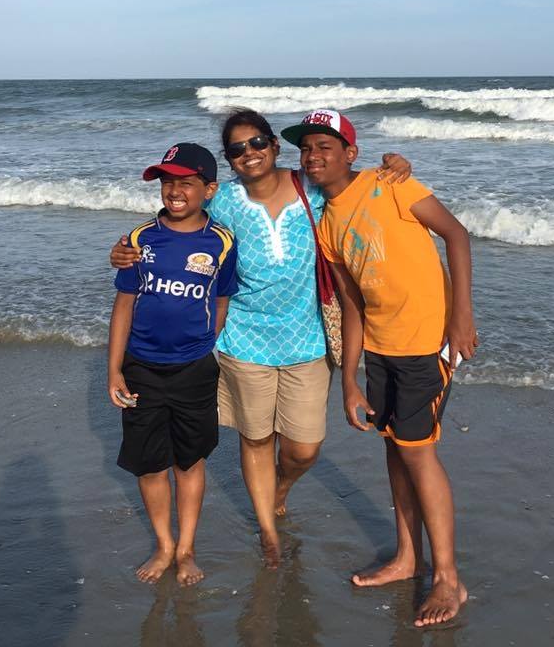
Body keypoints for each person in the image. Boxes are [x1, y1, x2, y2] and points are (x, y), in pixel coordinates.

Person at [110, 109, 412, 567]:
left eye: (256, 144)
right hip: (242, 340)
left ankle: (282, 485)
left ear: (273, 146)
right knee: (255, 439)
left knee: (303, 447)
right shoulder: (226, 200)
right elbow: (179, 215)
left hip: (307, 340)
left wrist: (395, 166)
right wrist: (125, 249)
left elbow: (350, 181)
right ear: (228, 161)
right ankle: (268, 532)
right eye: (236, 149)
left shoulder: (310, 187)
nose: (248, 154)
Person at [280, 108, 477, 627]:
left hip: (425, 344)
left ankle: (449, 579)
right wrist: (348, 380)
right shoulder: (327, 224)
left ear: (351, 152)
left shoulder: (392, 184)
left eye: (325, 146)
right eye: (306, 149)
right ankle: (408, 558)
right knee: (396, 451)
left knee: (418, 455)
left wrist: (461, 318)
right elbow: (351, 305)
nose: (314, 156)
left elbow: (456, 236)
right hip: (382, 351)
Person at [108, 142, 238, 586]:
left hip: (194, 370)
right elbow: (124, 304)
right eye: (167, 182)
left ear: (209, 189)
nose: (174, 190)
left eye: (186, 182)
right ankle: (164, 545)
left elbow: (220, 300)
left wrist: (204, 344)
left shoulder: (221, 242)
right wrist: (114, 370)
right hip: (141, 367)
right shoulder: (139, 240)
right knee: (149, 464)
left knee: (189, 461)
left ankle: (187, 549)